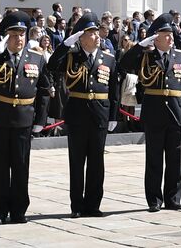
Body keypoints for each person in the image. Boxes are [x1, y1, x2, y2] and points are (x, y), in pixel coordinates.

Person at [0, 10, 52, 226]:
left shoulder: (36, 58)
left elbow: (44, 89)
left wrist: (41, 120)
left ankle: (19, 211)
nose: (19, 39)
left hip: (24, 119)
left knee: (21, 166)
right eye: (14, 35)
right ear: (6, 36)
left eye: (22, 34)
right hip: (0, 118)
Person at [119, 13, 181, 212]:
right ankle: (154, 200)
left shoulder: (180, 56)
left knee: (175, 158)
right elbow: (124, 65)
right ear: (156, 37)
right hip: (154, 112)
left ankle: (173, 198)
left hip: (176, 111)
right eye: (166, 35)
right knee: (154, 158)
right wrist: (140, 46)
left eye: (171, 34)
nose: (171, 38)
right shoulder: (146, 55)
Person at [48, 15, 119, 218]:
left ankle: (93, 205)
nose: (97, 36)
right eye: (91, 33)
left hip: (99, 114)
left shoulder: (108, 59)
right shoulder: (71, 56)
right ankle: (77, 206)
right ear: (81, 37)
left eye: (97, 32)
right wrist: (66, 43)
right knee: (77, 162)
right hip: (78, 113)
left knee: (97, 163)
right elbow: (52, 65)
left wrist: (113, 116)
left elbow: (114, 90)